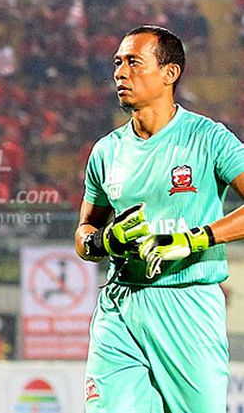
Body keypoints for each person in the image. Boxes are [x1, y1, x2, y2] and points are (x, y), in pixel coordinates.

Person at [75, 25, 244, 413]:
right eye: (117, 63)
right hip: (120, 307)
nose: (120, 72)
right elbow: (83, 234)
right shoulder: (106, 152)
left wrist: (194, 239)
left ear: (170, 74)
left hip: (187, 305)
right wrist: (105, 241)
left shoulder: (208, 139)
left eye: (134, 62)